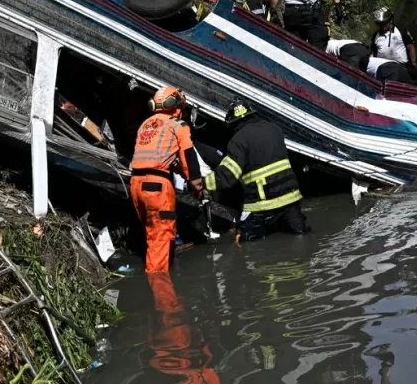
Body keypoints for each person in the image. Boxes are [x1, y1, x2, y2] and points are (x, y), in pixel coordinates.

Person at [192, 101, 309, 243]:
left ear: (232, 123)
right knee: (302, 236)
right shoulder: (275, 130)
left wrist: (203, 183)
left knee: (245, 242)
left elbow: (227, 176)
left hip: (261, 205)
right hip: (290, 199)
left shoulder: (238, 140)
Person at [132, 85, 203, 272]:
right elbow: (188, 157)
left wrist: (180, 172)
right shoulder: (178, 125)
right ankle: (161, 294)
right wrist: (197, 185)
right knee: (161, 237)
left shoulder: (146, 125)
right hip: (157, 188)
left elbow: (163, 158)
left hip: (136, 185)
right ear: (176, 105)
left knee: (151, 233)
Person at [372, 8, 417, 82]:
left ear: (390, 20)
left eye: (384, 23)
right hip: (383, 67)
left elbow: (411, 47)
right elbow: (374, 52)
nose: (382, 26)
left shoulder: (401, 31)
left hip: (400, 67)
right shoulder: (376, 35)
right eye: (380, 24)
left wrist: (413, 64)